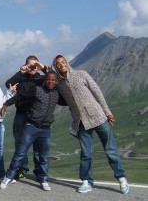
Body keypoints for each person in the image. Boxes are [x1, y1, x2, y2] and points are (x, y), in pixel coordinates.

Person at [52, 55, 129, 194]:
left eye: (63, 62)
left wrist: (107, 112)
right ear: (56, 67)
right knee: (86, 153)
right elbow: (48, 77)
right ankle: (86, 182)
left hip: (98, 117)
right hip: (80, 121)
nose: (62, 64)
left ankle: (122, 179)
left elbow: (97, 92)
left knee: (110, 149)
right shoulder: (60, 84)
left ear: (67, 63)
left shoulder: (81, 74)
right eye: (58, 63)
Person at [0, 71, 63, 191]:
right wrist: (6, 104)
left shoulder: (57, 94)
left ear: (56, 82)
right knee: (20, 153)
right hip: (31, 126)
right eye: (48, 79)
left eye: (53, 80)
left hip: (45, 129)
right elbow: (20, 95)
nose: (50, 81)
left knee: (44, 157)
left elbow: (68, 99)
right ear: (44, 80)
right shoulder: (37, 90)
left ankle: (44, 180)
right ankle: (8, 177)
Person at [5, 55, 49, 179]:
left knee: (37, 144)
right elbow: (8, 83)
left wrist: (44, 68)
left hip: (36, 115)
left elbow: (54, 79)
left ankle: (39, 171)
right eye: (30, 65)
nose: (33, 67)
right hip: (21, 113)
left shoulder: (42, 79)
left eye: (35, 65)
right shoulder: (21, 79)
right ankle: (22, 169)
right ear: (26, 65)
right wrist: (21, 72)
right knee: (20, 142)